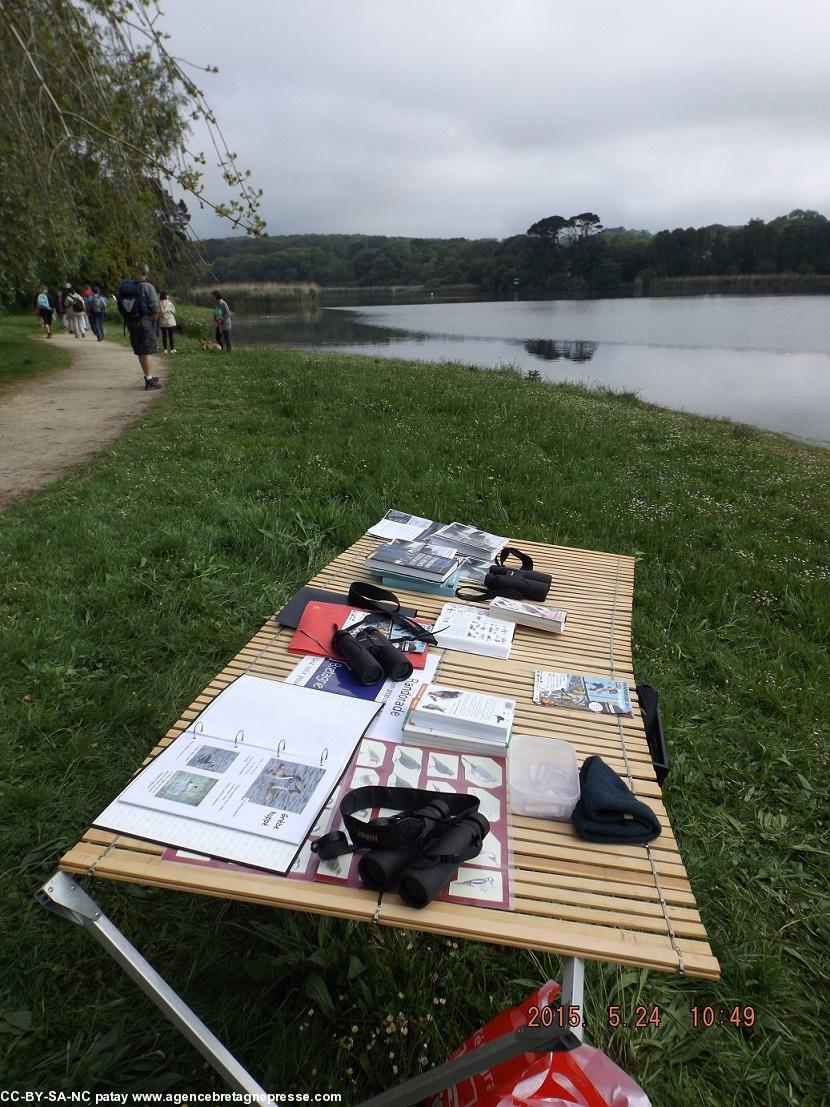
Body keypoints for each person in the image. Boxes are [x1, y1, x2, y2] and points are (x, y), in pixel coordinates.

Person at [117, 263, 162, 389]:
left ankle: (148, 375)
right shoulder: (148, 287)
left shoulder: (125, 287)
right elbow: (155, 308)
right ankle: (149, 380)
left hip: (131, 322)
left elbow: (120, 307)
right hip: (145, 321)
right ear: (146, 273)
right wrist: (153, 322)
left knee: (140, 350)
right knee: (147, 350)